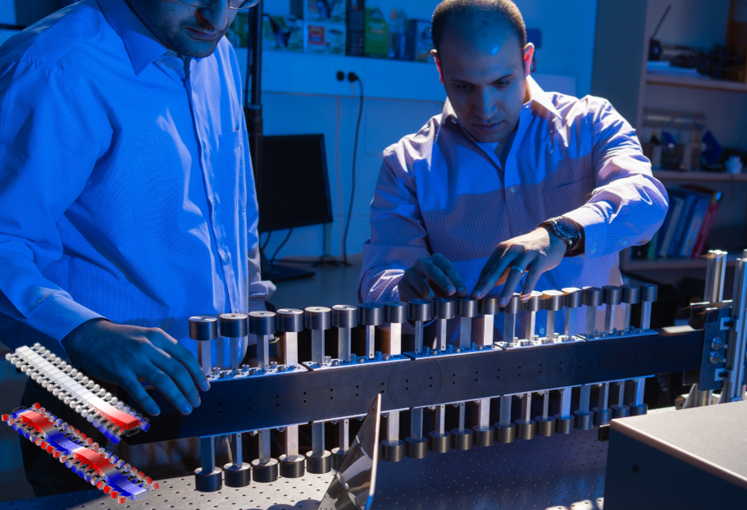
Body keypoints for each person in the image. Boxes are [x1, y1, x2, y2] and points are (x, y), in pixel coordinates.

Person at [0, 0, 273, 495]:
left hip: (206, 394)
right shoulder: (53, 67)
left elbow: (234, 209)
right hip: (79, 397)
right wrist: (85, 332)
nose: (218, 16)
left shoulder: (216, 53)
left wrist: (253, 311)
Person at [359, 0, 668, 343]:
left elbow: (647, 202)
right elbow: (377, 282)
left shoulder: (591, 124)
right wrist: (401, 289)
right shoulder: (406, 165)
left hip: (591, 380)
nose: (485, 109)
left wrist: (561, 235)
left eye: (502, 82)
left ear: (527, 60)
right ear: (439, 69)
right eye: (463, 87)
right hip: (472, 387)